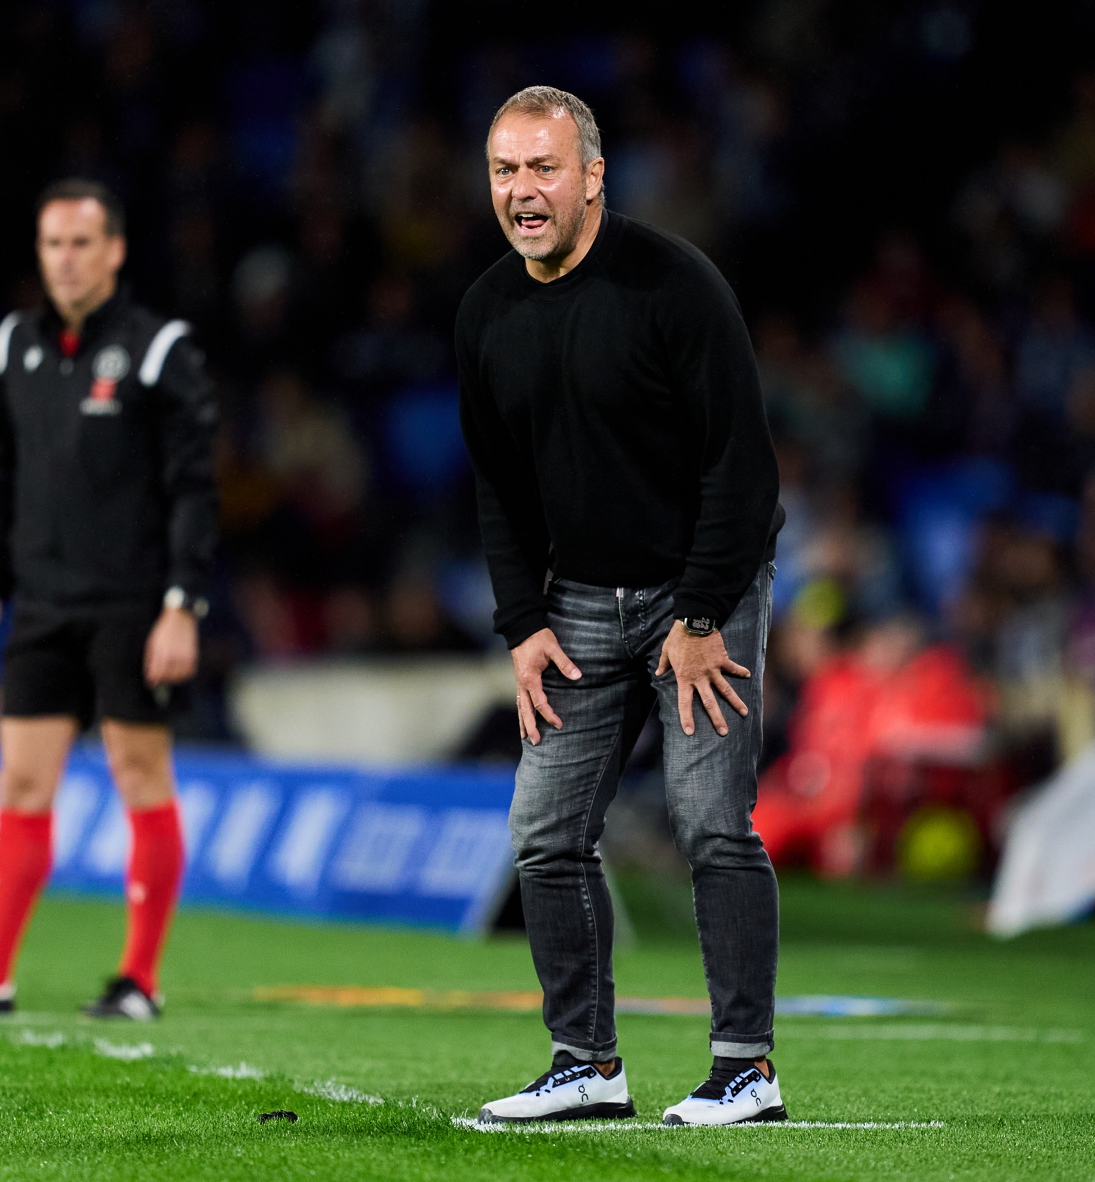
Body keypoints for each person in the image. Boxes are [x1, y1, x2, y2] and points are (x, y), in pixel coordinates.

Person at [458, 87, 787, 1126]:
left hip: (703, 593)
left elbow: (746, 475)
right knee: (544, 832)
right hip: (577, 607)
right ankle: (585, 1063)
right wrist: (522, 624)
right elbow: (500, 489)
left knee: (710, 822)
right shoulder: (486, 313)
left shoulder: (674, 286)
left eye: (543, 170)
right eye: (507, 172)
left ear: (593, 177)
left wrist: (696, 616)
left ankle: (746, 1068)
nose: (523, 193)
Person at [0, 179, 217, 1021]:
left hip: (131, 605)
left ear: (114, 251)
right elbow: (5, 476)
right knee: (20, 786)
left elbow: (193, 489)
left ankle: (139, 981)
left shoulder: (157, 349)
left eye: (81, 243)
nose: (65, 260)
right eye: (51, 245)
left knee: (140, 776)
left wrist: (182, 604)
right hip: (39, 603)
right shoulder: (14, 346)